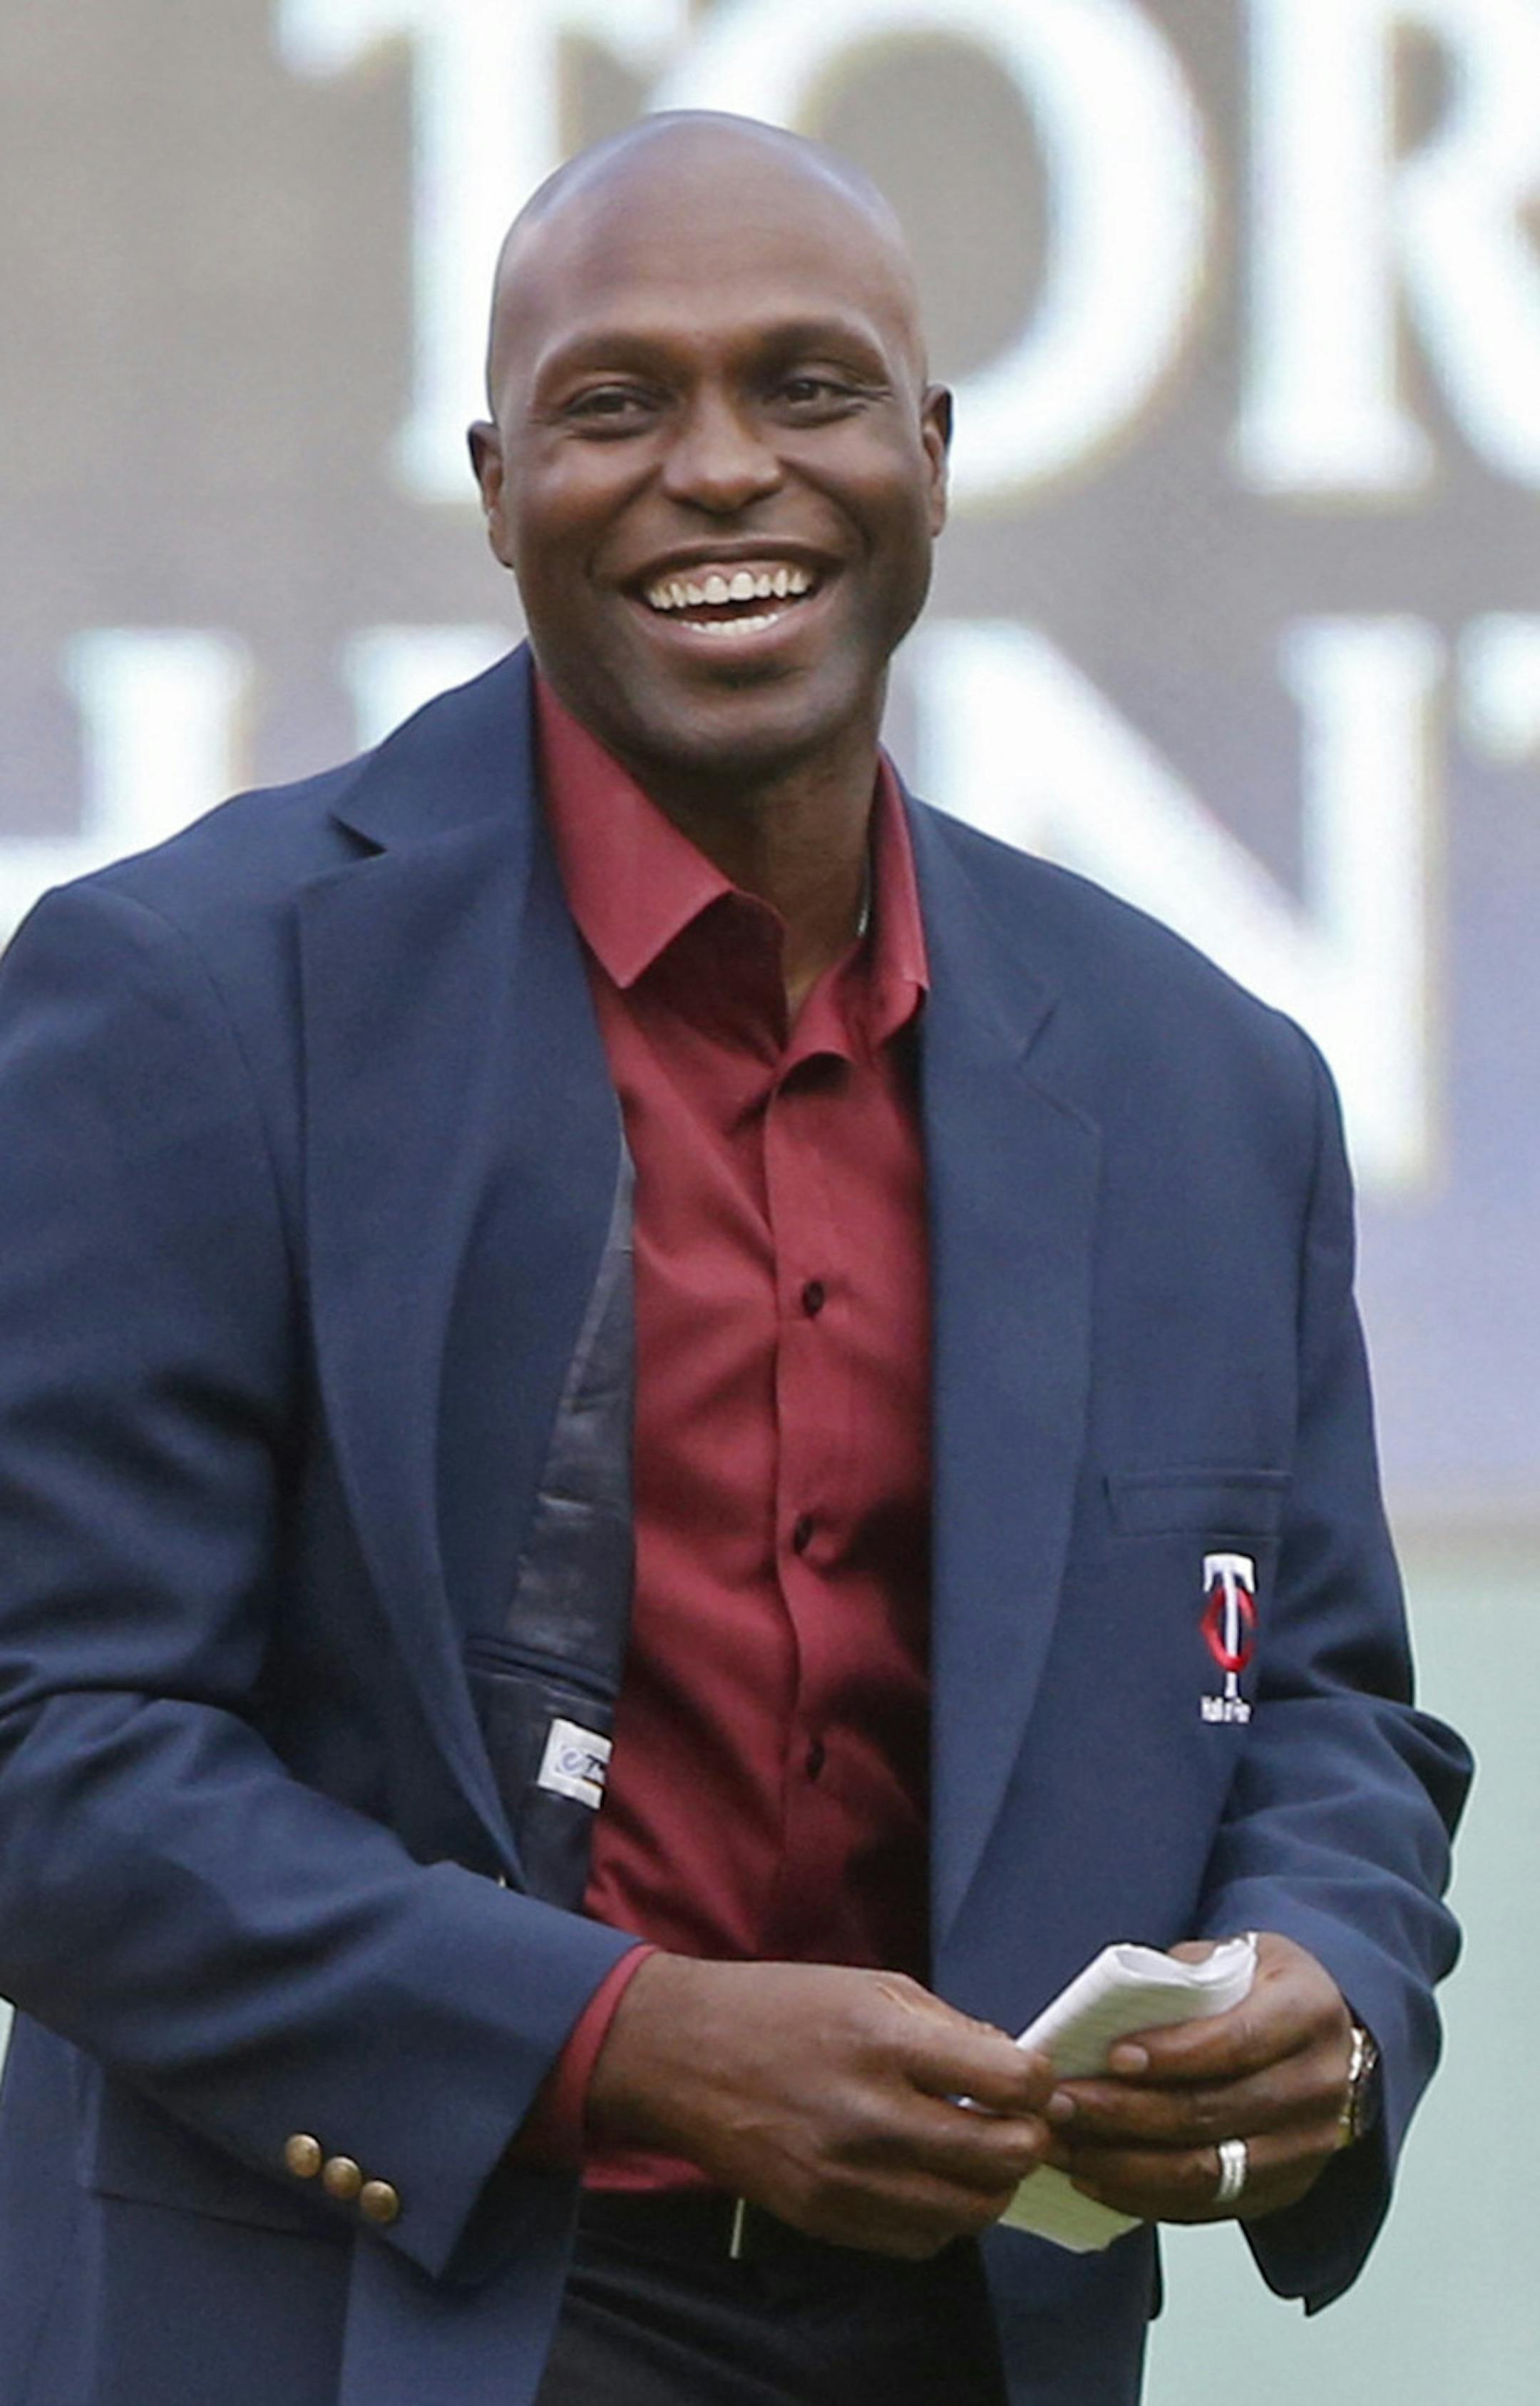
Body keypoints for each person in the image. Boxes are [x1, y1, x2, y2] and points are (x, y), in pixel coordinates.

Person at [0, 111, 1469, 2406]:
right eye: (616, 404)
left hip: (970, 2333)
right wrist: (626, 2043)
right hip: (360, 2324)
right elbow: (49, 1743)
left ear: (933, 454)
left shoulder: (1207, 1081)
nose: (718, 470)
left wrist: (1325, 1982)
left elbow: (1320, 1707)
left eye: (805, 387)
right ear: (498, 487)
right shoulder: (184, 1003)